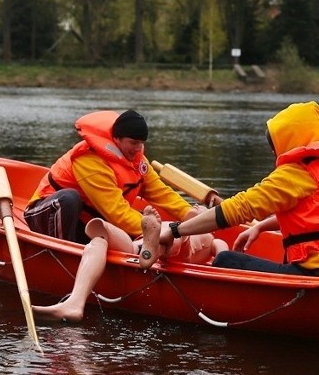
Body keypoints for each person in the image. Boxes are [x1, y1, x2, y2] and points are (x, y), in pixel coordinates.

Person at [25, 109, 226, 322]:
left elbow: (162, 194)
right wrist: (164, 231)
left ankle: (127, 246)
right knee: (69, 199)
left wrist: (194, 217)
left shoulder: (138, 160)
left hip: (91, 222)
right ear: (117, 139)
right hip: (49, 213)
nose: (138, 148)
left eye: (141, 143)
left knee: (105, 237)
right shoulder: (90, 161)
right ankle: (66, 259)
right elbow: (118, 214)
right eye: (133, 142)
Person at [144, 101, 319, 276]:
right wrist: (261, 226)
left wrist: (174, 231)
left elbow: (236, 209)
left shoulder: (295, 174)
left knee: (226, 260)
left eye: (273, 145)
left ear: (285, 142)